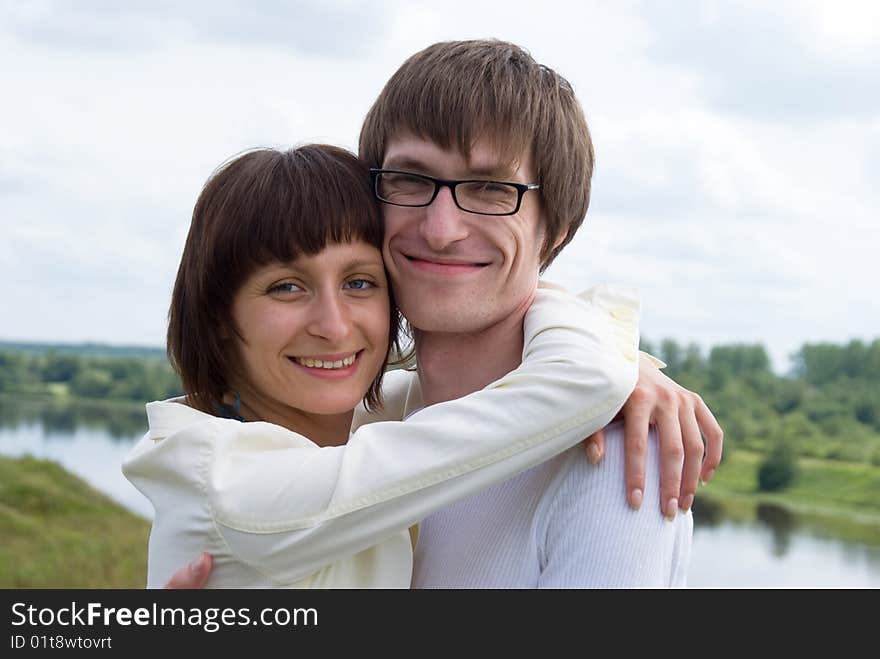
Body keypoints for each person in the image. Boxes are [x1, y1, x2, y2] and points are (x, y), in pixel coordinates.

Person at [163, 39, 723, 589]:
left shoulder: (615, 456)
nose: (440, 229)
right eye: (411, 179)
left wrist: (619, 364)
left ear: (557, 229)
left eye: (489, 188)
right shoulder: (369, 423)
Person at [123, 143, 645, 588]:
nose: (333, 325)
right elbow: (587, 379)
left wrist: (640, 375)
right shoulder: (232, 483)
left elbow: (531, 381)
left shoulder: (368, 424)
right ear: (218, 316)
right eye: (287, 287)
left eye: (359, 283)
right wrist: (602, 356)